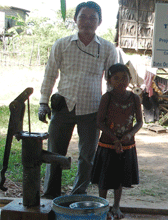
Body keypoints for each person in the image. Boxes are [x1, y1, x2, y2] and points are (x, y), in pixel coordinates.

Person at [38, 1, 118, 199]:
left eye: (93, 17)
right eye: (83, 16)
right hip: (63, 105)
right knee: (55, 153)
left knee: (87, 156)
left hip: (92, 109)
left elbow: (112, 82)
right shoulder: (62, 44)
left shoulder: (108, 48)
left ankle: (78, 196)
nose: (87, 21)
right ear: (75, 19)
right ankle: (50, 195)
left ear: (99, 22)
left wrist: (110, 110)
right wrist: (43, 103)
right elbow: (50, 75)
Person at [90, 63, 143, 219]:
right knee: (104, 178)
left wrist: (129, 134)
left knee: (119, 177)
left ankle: (116, 206)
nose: (121, 81)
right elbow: (99, 122)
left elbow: (139, 122)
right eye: (116, 78)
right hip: (107, 143)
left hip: (127, 145)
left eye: (124, 77)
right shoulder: (107, 97)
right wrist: (114, 139)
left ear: (130, 79)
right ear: (109, 81)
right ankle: (103, 207)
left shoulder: (134, 98)